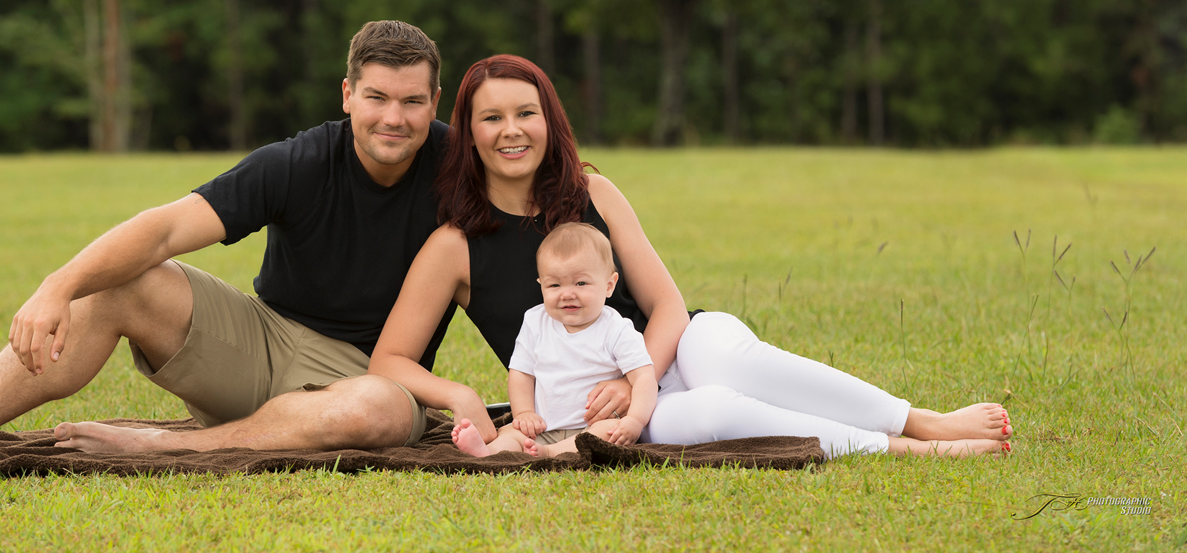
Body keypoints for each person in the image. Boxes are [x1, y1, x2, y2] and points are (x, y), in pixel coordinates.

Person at [0, 20, 457, 469]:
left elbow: (527, 272)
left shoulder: (461, 173)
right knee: (124, 281)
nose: (392, 118)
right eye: (376, 97)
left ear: (435, 102)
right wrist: (56, 286)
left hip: (376, 377)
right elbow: (165, 228)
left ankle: (165, 447)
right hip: (265, 343)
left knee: (376, 409)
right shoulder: (297, 162)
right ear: (347, 94)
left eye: (411, 102)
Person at [370, 54, 1014, 459]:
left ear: (550, 121)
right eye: (491, 118)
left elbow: (667, 305)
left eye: (526, 113)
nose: (511, 131)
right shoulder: (454, 246)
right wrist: (456, 392)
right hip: (608, 410)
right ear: (468, 131)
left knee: (722, 358)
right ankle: (899, 450)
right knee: (712, 412)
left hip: (666, 354)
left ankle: (921, 420)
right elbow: (389, 358)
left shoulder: (595, 192)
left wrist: (633, 380)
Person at [450, 222, 657, 458]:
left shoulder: (616, 329)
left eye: (581, 283)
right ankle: (487, 452)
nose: (567, 293)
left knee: (607, 433)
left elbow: (643, 378)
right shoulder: (535, 322)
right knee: (512, 432)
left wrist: (635, 420)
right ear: (541, 286)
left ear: (609, 285)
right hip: (544, 426)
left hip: (590, 427)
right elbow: (520, 373)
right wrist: (524, 413)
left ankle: (548, 453)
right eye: (554, 285)